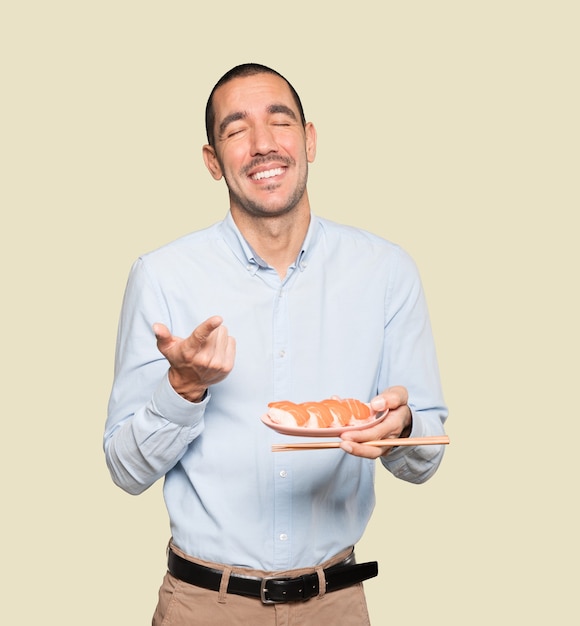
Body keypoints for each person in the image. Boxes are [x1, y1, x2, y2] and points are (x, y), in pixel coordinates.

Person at [104, 63, 448, 625]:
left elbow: (427, 454)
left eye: (279, 121)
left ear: (309, 140)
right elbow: (125, 470)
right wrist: (183, 389)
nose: (263, 145)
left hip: (335, 604)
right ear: (213, 162)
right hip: (202, 606)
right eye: (236, 130)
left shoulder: (386, 271)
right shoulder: (162, 277)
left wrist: (403, 428)